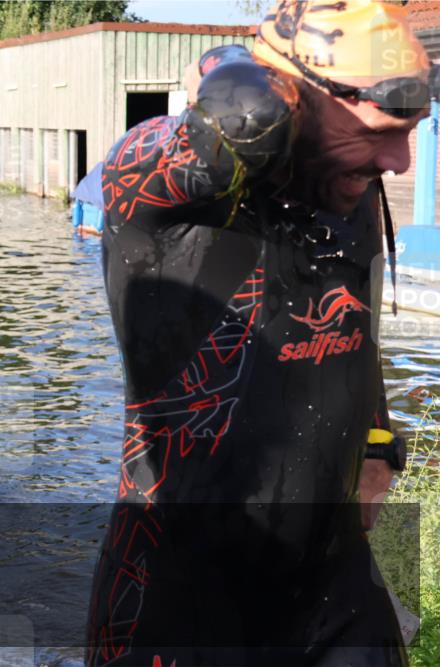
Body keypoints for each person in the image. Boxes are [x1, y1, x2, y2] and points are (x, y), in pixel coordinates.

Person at [85, 2, 432, 665]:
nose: (400, 160)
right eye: (384, 131)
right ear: (295, 102)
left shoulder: (345, 185)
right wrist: (238, 68)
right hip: (180, 600)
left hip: (331, 585)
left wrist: (381, 440)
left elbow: (353, 316)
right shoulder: (162, 187)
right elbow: (228, 118)